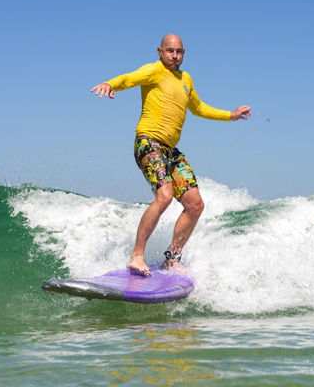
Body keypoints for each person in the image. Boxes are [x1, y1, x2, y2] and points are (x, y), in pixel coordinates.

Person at [90, 34, 251, 276]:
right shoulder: (154, 71)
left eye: (179, 52)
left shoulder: (186, 79)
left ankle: (171, 259)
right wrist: (110, 84)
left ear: (184, 53)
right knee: (164, 196)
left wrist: (230, 115)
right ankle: (136, 256)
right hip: (148, 142)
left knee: (195, 205)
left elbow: (198, 107)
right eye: (170, 51)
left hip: (170, 151)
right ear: (160, 51)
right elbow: (128, 79)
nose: (175, 55)